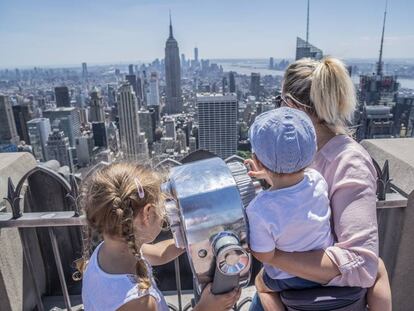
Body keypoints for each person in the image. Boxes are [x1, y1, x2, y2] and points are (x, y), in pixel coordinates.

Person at [246, 57, 392, 311]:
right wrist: (271, 176)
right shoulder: (306, 158)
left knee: (262, 282)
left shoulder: (350, 162)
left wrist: (276, 259)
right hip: (294, 288)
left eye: (279, 103)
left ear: (290, 105)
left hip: (309, 299)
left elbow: (362, 265)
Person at [80, 162, 241, 311]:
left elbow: (160, 253)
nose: (164, 215)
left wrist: (194, 236)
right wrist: (206, 307)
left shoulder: (108, 251)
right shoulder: (138, 302)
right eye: (162, 208)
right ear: (147, 214)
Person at [247, 107, 334, 311]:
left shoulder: (259, 209)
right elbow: (292, 193)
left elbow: (264, 254)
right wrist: (270, 175)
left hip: (285, 280)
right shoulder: (318, 181)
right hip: (321, 272)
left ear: (258, 161)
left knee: (262, 287)